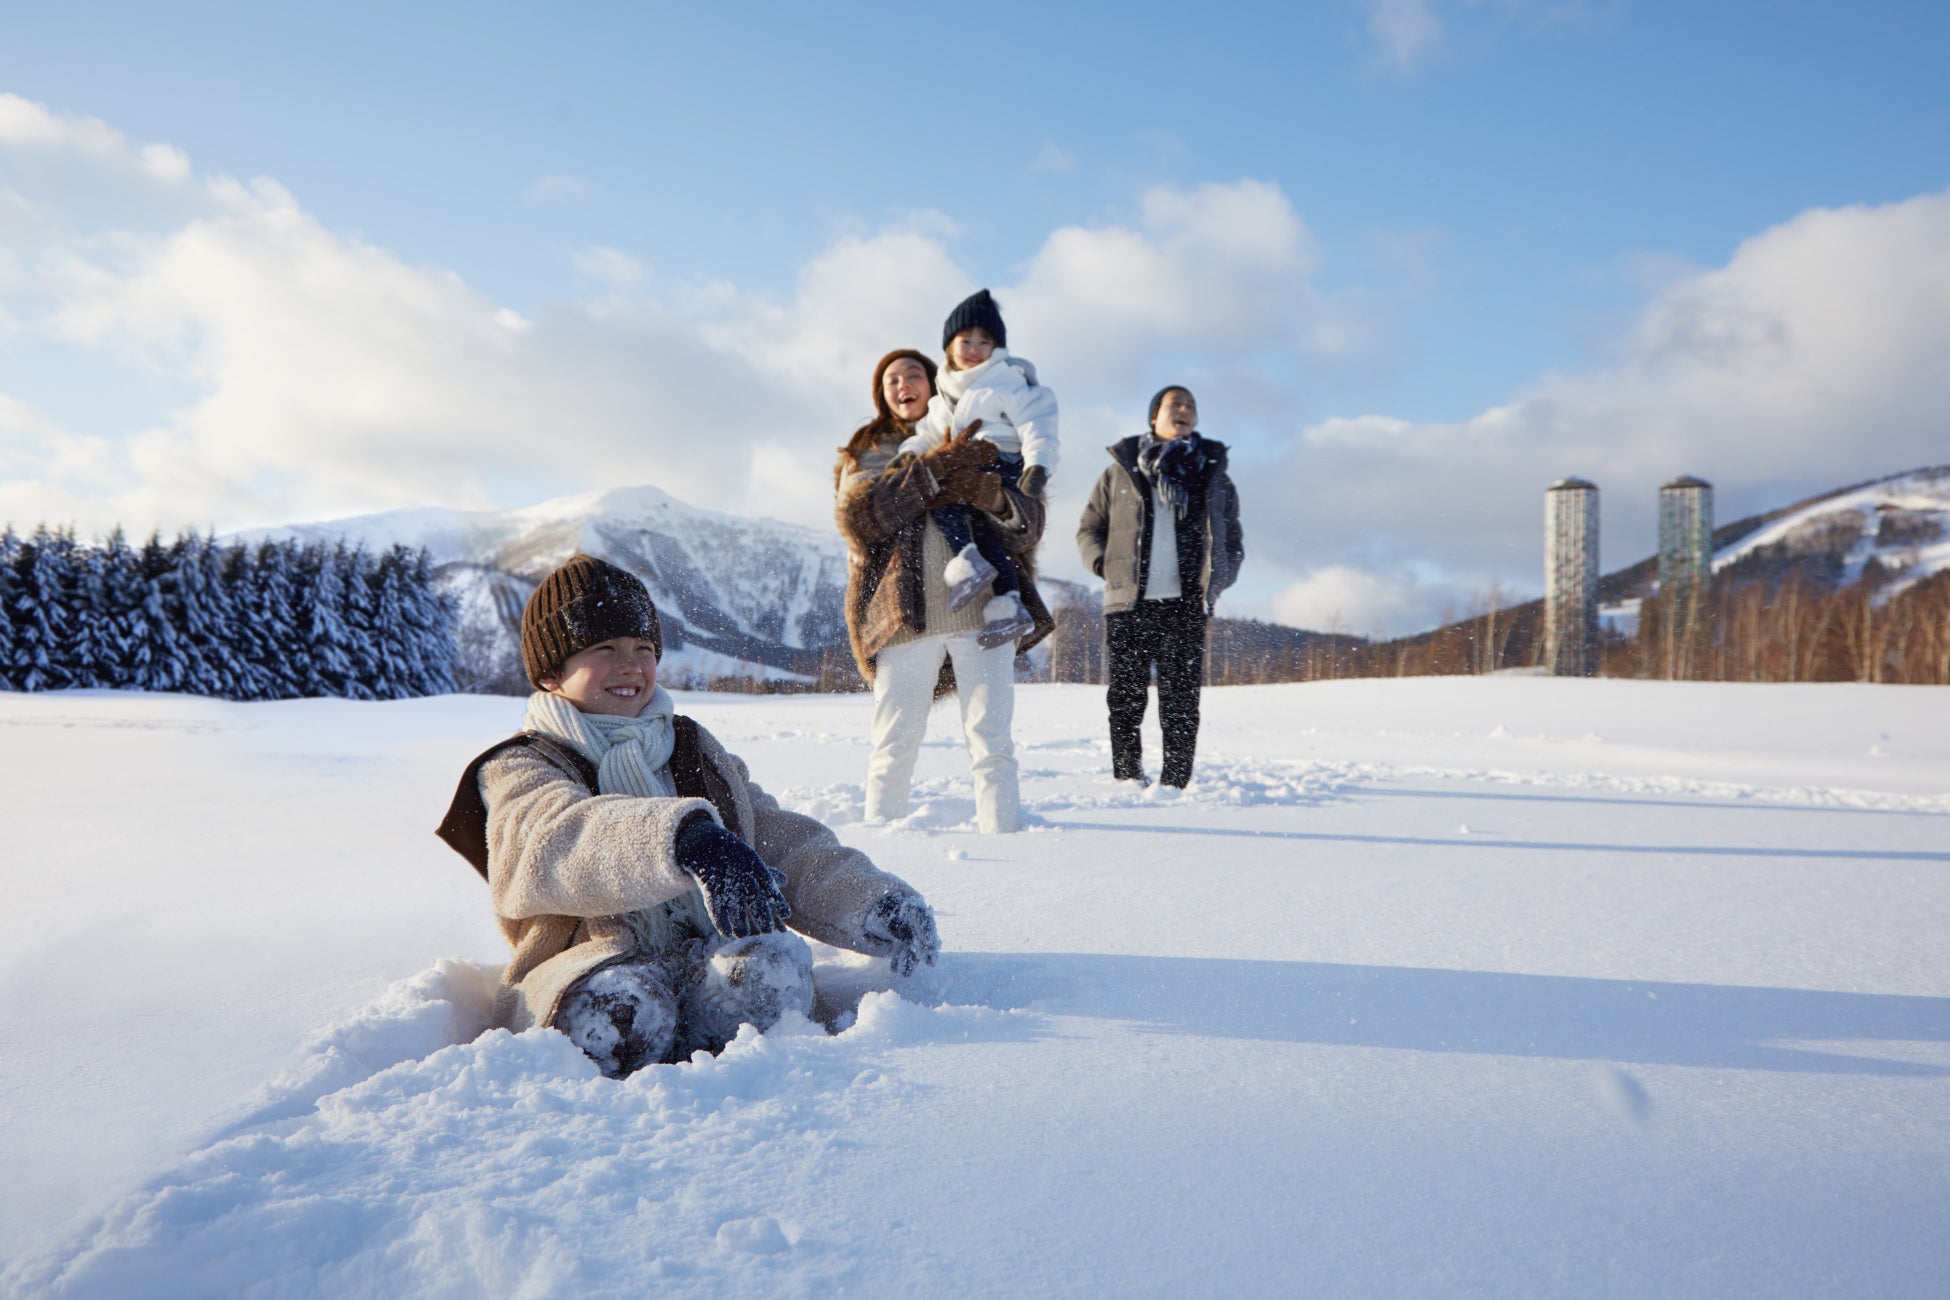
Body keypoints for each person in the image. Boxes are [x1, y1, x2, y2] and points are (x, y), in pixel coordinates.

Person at [436, 554, 940, 1077]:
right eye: (604, 649)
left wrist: (872, 901)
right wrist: (684, 840)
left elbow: (778, 839)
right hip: (595, 962)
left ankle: (757, 1090)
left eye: (644, 649)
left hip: (707, 951)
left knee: (770, 975)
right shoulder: (522, 765)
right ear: (549, 673)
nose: (630, 664)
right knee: (619, 1014)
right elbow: (558, 837)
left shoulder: (693, 748)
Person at [836, 348, 1055, 833]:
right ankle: (881, 843)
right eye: (891, 379)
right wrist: (932, 468)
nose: (902, 384)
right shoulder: (867, 452)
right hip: (902, 614)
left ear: (934, 384)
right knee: (894, 741)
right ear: (881, 394)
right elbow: (860, 521)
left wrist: (993, 496)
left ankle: (1008, 838)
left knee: (992, 738)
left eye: (914, 374)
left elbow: (1029, 526)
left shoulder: (986, 430)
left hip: (987, 610)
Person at [1076, 385, 1244, 788]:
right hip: (1129, 603)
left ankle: (1175, 782)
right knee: (1126, 698)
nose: (1184, 410)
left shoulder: (1212, 474)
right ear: (1154, 417)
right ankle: (1127, 777)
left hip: (1186, 604)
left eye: (1190, 406)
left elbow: (1232, 540)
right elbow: (1089, 528)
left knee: (1181, 700)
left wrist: (1219, 578)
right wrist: (1104, 565)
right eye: (1175, 405)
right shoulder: (1121, 469)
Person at [893, 289, 1059, 647]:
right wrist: (910, 453)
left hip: (1003, 461)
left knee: (946, 502)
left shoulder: (1007, 380)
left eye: (984, 341)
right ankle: (1005, 599)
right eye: (965, 340)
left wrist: (1039, 463)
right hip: (965, 463)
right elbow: (929, 434)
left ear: (997, 348)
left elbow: (1037, 421)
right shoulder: (945, 394)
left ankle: (970, 565)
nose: (973, 348)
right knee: (980, 527)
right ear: (948, 346)